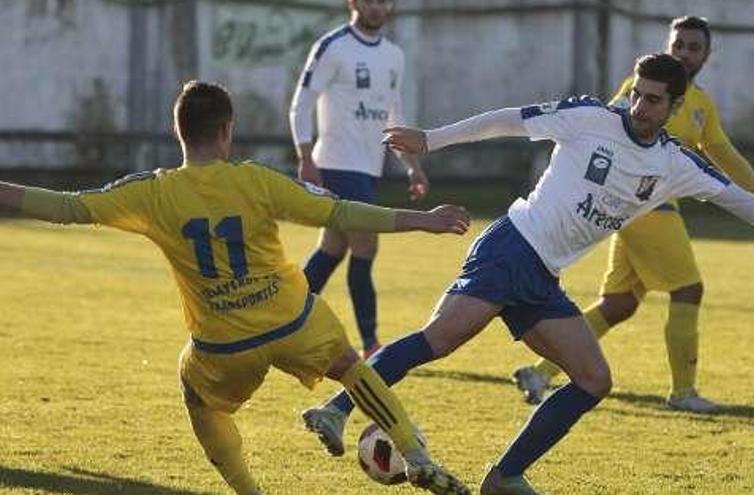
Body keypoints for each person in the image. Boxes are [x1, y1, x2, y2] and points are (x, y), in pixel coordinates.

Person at [299, 54, 754, 495]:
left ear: (675, 106)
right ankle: (337, 410)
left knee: (593, 381)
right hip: (514, 245)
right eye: (637, 93)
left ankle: (504, 476)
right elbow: (509, 120)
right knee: (440, 340)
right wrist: (433, 139)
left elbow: (737, 198)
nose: (640, 105)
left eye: (654, 99)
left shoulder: (675, 163)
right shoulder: (591, 117)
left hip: (544, 274)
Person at [0, 81, 472, 495]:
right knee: (351, 366)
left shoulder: (154, 192)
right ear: (227, 131)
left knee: (199, 401)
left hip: (224, 344)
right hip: (294, 321)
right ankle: (415, 453)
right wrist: (421, 220)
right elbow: (340, 213)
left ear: (178, 132)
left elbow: (67, 206)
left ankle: (248, 490)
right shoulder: (256, 180)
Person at [513, 16, 754, 412]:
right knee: (688, 290)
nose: (685, 53)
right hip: (644, 208)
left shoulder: (701, 105)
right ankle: (683, 393)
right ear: (669, 44)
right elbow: (604, 132)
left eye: (694, 47)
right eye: (679, 45)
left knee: (620, 303)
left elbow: (724, 153)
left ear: (707, 55)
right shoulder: (641, 87)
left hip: (648, 209)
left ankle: (540, 373)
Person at [290, 0, 426, 358]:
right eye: (369, 0)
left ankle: (282, 319)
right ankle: (370, 345)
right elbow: (301, 104)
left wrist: (411, 165)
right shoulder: (333, 46)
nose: (377, 7)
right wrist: (305, 158)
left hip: (367, 167)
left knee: (333, 248)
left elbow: (393, 116)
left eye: (384, 1)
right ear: (352, 3)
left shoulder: (395, 55)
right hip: (336, 164)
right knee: (366, 245)